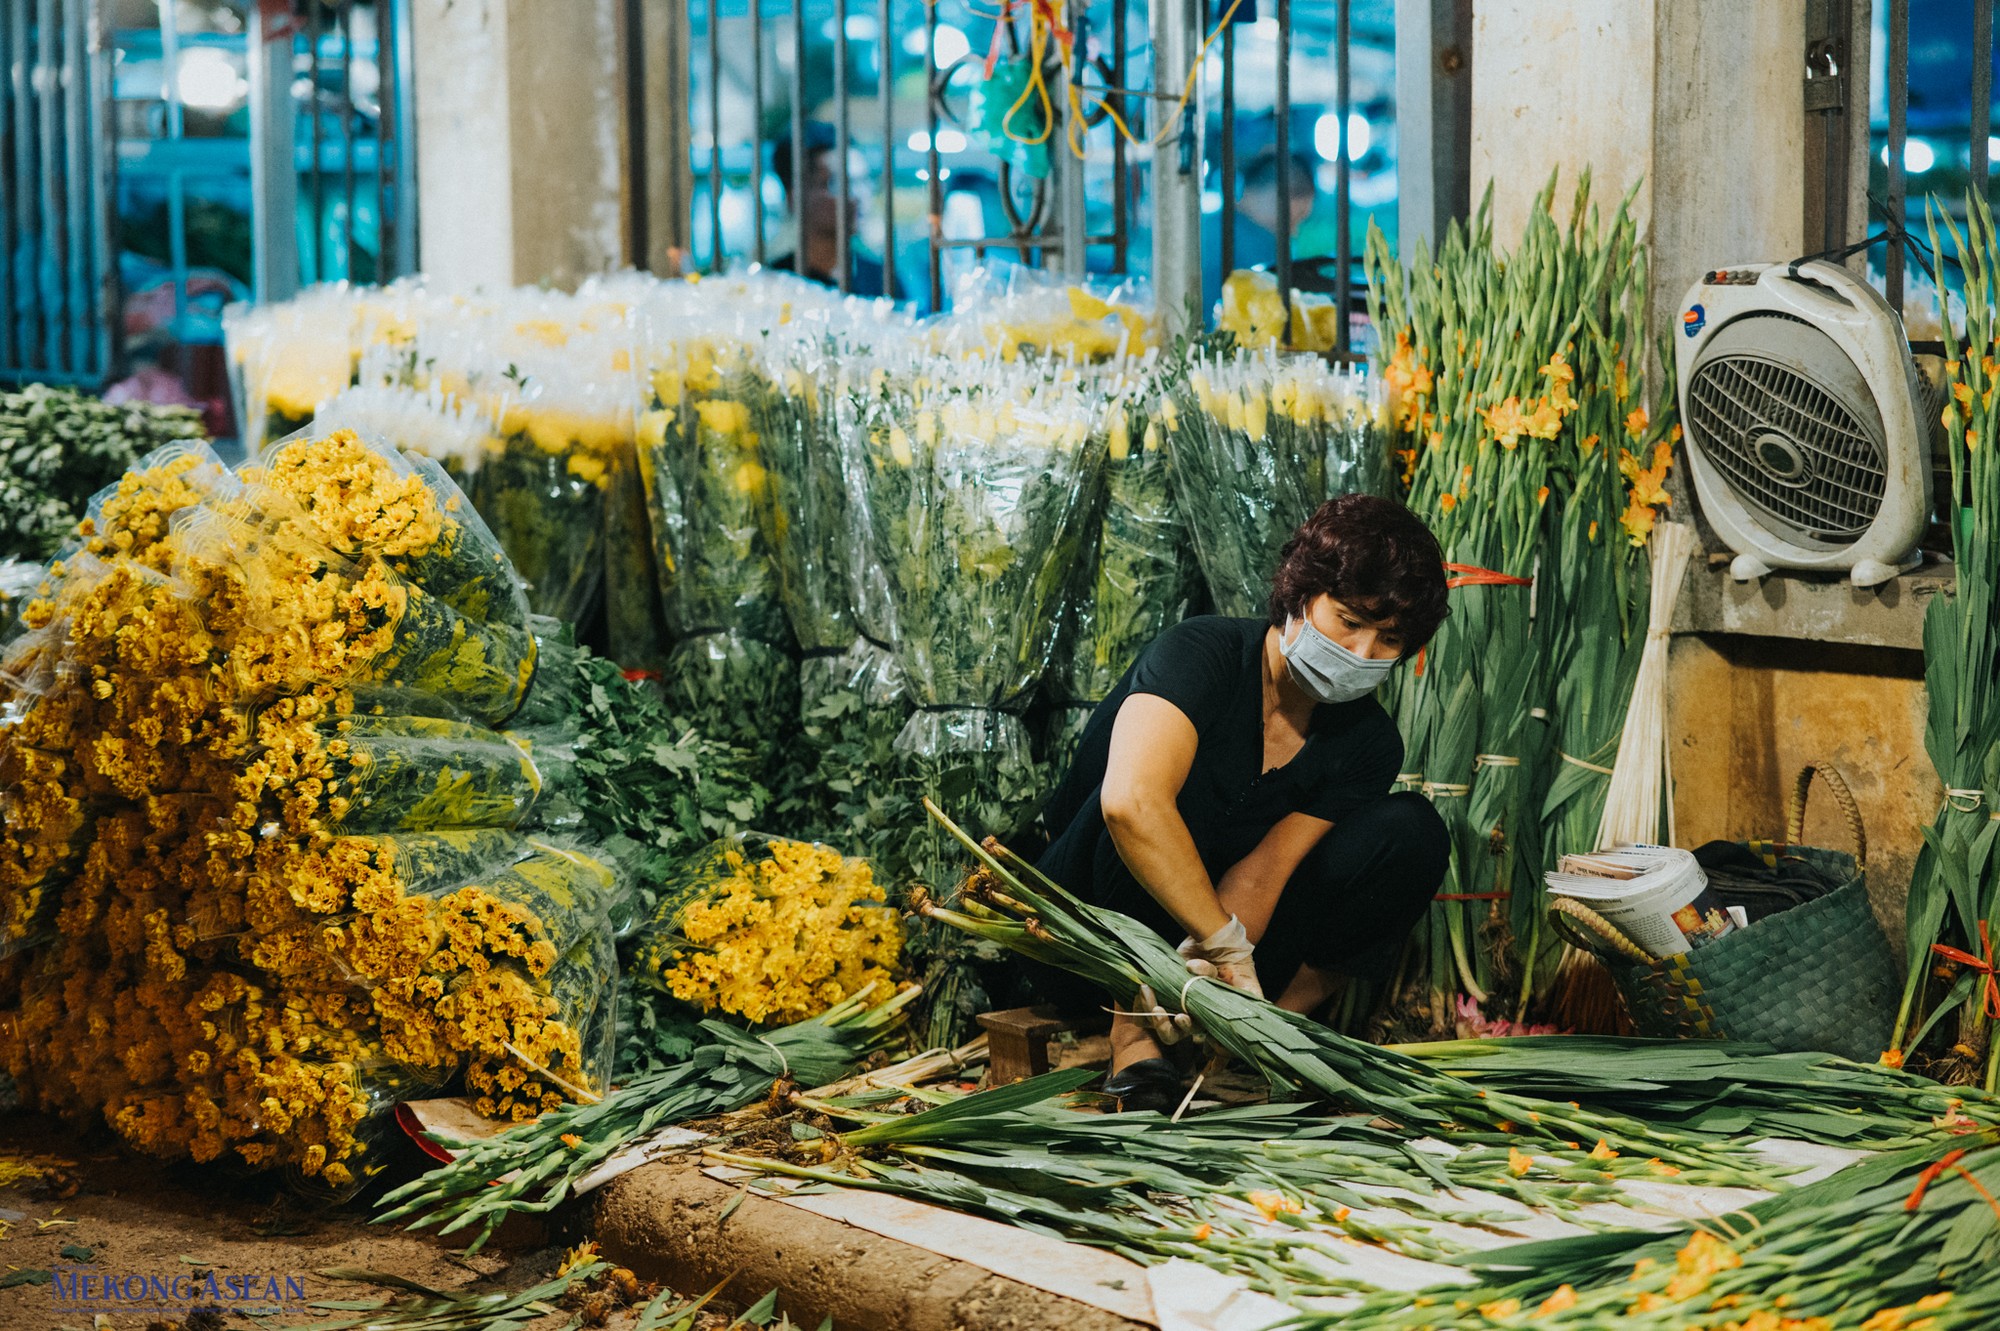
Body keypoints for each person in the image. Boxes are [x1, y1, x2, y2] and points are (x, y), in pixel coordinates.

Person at [1034, 493, 1452, 1112]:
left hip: (1206, 937)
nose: (1362, 654)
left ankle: (1267, 1033)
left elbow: (1266, 869)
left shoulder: (1365, 740)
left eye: (1389, 638)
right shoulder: (1200, 655)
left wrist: (1223, 971)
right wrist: (1221, 943)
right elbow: (1129, 803)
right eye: (1348, 620)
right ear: (1299, 595)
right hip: (1084, 922)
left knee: (1410, 829)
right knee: (1171, 792)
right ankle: (1132, 1032)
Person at [769, 122, 904, 301]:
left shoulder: (884, 280)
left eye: (863, 181)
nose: (857, 196)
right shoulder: (773, 286)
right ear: (794, 198)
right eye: (838, 184)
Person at [1201, 148, 1318, 317]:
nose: (1294, 232)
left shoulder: (1207, 225)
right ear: (1279, 196)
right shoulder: (1263, 245)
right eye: (1297, 218)